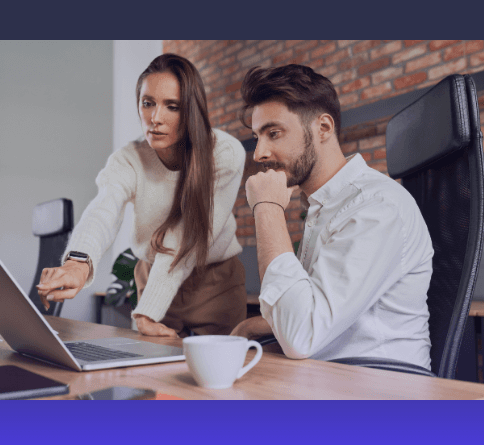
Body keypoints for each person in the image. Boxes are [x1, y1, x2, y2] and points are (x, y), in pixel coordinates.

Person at [230, 64, 434, 370]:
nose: (259, 153)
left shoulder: (375, 208)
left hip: (380, 391)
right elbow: (315, 311)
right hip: (328, 375)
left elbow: (302, 334)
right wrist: (252, 327)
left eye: (274, 133)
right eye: (258, 137)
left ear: (323, 128)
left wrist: (267, 209)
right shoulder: (325, 207)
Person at [36, 54, 247, 338]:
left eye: (171, 106)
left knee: (225, 378)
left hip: (215, 284)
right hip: (152, 277)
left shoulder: (225, 153)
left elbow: (188, 236)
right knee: (151, 375)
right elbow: (103, 210)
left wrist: (147, 310)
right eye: (148, 103)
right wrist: (77, 263)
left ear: (191, 111)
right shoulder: (128, 159)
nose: (155, 118)